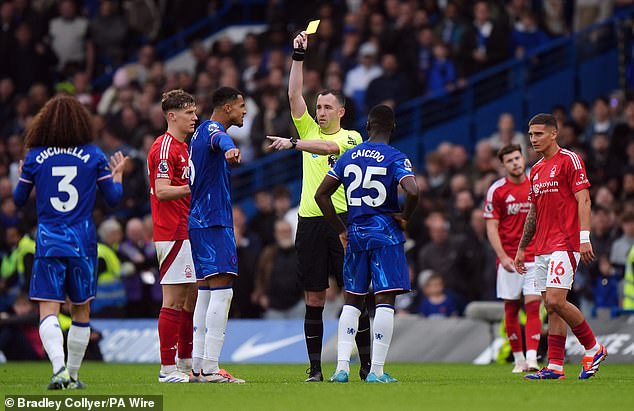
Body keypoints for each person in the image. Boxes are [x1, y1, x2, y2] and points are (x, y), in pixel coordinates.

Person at [266, 30, 367, 383]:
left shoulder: (352, 137)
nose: (320, 111)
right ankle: (314, 369)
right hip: (310, 221)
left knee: (356, 293)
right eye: (318, 106)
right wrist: (297, 56)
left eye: (327, 107)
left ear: (341, 111)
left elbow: (328, 150)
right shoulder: (308, 126)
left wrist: (294, 143)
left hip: (343, 221)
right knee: (314, 296)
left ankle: (367, 367)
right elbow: (294, 93)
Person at [13, 95, 126, 389]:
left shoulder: (36, 157)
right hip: (82, 241)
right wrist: (118, 176)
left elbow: (18, 200)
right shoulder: (93, 155)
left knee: (48, 309)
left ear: (45, 123)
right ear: (81, 122)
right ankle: (74, 376)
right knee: (81, 310)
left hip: (49, 240)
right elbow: (113, 200)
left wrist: (22, 173)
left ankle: (58, 370)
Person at [315, 104, 419, 383]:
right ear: (393, 127)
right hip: (385, 234)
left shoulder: (349, 156)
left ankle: (340, 369)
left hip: (356, 233)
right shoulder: (396, 157)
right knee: (384, 300)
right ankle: (376, 371)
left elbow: (321, 195)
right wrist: (405, 217)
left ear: (367, 127)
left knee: (352, 300)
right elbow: (413, 190)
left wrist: (340, 228)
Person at [514, 113, 607, 380]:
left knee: (556, 299)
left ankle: (593, 347)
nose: (533, 139)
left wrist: (584, 237)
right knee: (551, 306)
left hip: (565, 242)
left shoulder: (570, 160)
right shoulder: (536, 170)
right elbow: (533, 212)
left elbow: (584, 200)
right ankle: (555, 365)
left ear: (554, 133)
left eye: (539, 134)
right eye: (531, 135)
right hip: (541, 245)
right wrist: (522, 247)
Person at [188, 86, 245, 383]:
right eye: (241, 106)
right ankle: (210, 367)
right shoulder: (211, 129)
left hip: (197, 221)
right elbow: (220, 138)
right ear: (226, 108)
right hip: (214, 221)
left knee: (206, 295)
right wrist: (230, 147)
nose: (244, 111)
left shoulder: (195, 134)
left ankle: (198, 366)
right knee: (223, 293)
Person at [147, 89, 198, 383]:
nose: (195, 117)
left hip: (185, 228)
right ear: (172, 116)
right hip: (172, 231)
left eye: (195, 111)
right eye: (189, 113)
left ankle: (186, 363)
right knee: (174, 300)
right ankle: (167, 368)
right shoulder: (165, 148)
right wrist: (196, 186)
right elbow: (162, 190)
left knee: (188, 299)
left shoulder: (183, 147)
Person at [483, 144, 541, 373]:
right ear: (503, 165)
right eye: (510, 160)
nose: (515, 163)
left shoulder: (536, 184)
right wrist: (502, 256)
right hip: (508, 260)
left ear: (523, 158)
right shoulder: (496, 190)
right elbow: (491, 227)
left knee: (534, 306)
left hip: (534, 256)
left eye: (517, 158)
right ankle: (518, 359)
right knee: (511, 309)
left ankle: (533, 358)